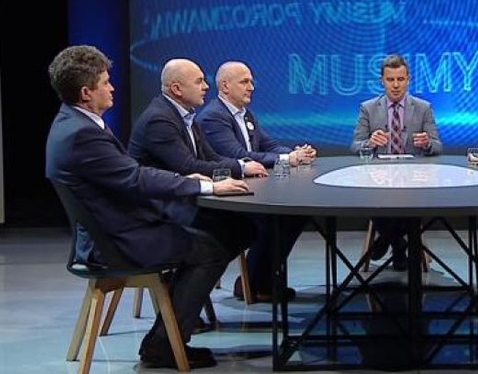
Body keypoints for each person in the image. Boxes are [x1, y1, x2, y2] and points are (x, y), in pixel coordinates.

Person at [45, 45, 251, 369]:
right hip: (115, 241)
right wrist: (205, 185)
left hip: (113, 230)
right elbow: (136, 178)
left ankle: (171, 329)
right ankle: (163, 346)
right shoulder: (81, 134)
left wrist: (188, 179)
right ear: (86, 93)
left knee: (217, 234)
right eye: (105, 82)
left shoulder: (72, 122)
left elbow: (129, 174)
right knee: (211, 247)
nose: (112, 88)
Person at [128, 58, 295, 302]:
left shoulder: (186, 116)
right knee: (237, 230)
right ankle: (182, 296)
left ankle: (205, 287)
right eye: (199, 82)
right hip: (161, 208)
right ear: (177, 89)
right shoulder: (160, 120)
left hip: (183, 199)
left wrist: (241, 167)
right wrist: (241, 166)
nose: (206, 86)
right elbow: (187, 166)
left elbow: (212, 158)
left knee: (247, 228)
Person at [197, 60, 315, 299]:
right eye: (244, 82)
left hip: (250, 187)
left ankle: (259, 280)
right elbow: (238, 155)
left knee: (295, 214)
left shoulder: (245, 114)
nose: (251, 87)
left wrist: (296, 153)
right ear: (225, 86)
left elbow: (268, 144)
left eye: (251, 82)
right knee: (276, 217)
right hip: (227, 195)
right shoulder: (213, 117)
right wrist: (286, 158)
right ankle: (254, 283)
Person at [350, 54, 443, 270]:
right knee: (379, 197)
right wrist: (370, 142)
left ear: (408, 80)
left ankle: (386, 240)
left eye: (400, 79)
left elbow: (438, 146)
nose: (395, 85)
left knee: (407, 199)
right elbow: (355, 145)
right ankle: (399, 245)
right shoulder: (368, 108)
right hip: (379, 181)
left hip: (414, 181)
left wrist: (427, 143)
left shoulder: (423, 108)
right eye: (390, 79)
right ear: (382, 81)